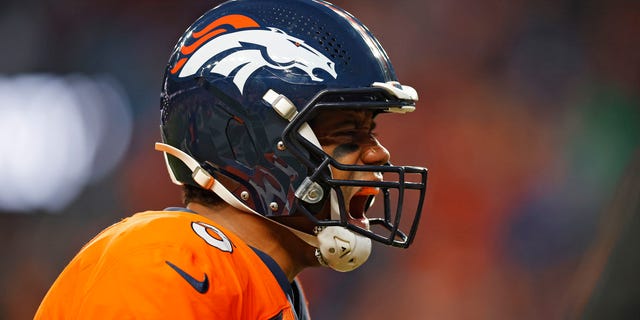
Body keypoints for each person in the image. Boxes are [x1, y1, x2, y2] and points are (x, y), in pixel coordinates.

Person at [34, 0, 428, 318]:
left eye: (370, 131)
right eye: (347, 133)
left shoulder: (268, 287)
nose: (379, 153)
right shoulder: (168, 258)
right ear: (249, 143)